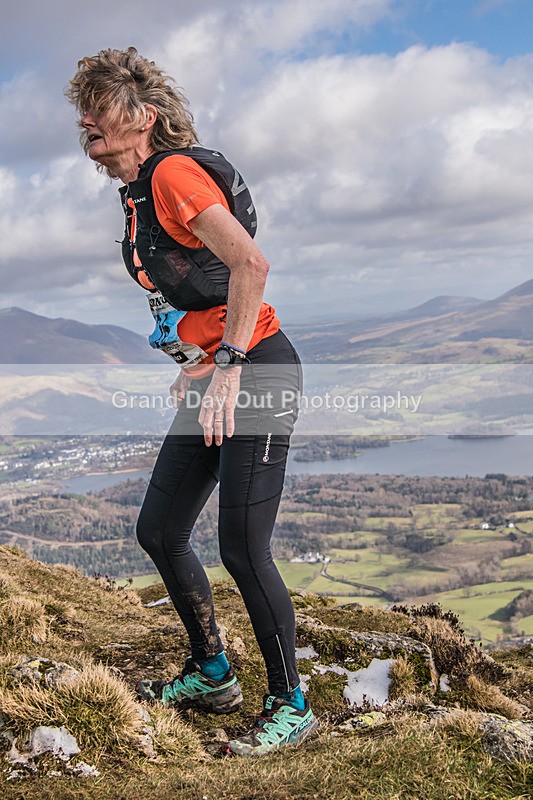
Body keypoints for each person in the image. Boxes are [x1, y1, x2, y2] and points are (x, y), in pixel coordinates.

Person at [67, 47, 318, 757]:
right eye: (82, 108)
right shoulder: (136, 190)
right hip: (219, 373)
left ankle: (289, 702)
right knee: (160, 529)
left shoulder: (172, 173)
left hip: (259, 373)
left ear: (143, 118)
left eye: (102, 106)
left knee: (242, 547)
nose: (86, 119)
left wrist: (232, 363)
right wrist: (201, 359)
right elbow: (198, 284)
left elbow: (250, 264)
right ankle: (212, 671)